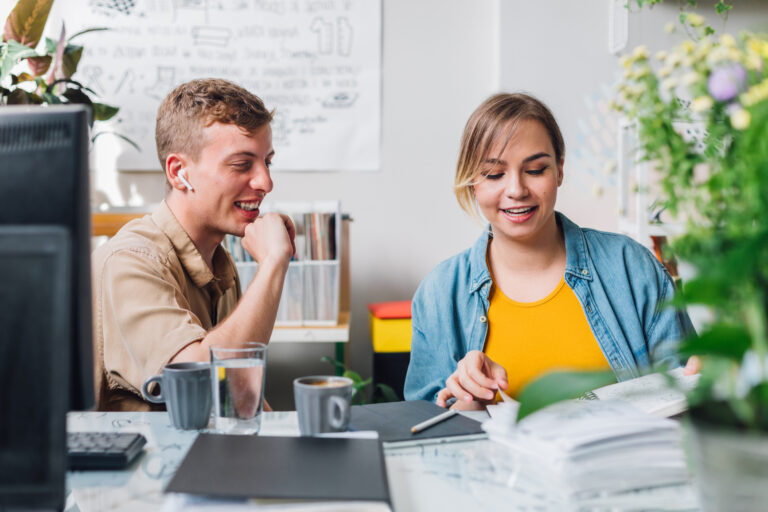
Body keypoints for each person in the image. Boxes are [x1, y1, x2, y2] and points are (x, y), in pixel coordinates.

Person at [403, 93, 696, 409]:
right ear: (473, 181)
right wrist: (466, 399)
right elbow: (424, 428)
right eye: (494, 174)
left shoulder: (632, 267)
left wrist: (703, 381)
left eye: (536, 169)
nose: (516, 190)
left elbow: (685, 394)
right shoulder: (439, 292)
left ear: (559, 169)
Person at [92, 78, 295, 411]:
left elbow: (237, 396)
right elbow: (199, 379)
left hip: (201, 457)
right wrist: (273, 261)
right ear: (179, 172)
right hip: (151, 462)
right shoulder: (129, 261)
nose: (265, 183)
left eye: (266, 162)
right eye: (242, 164)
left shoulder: (221, 267)